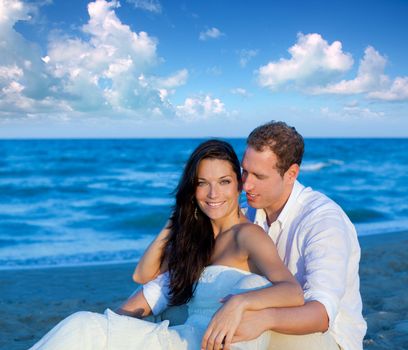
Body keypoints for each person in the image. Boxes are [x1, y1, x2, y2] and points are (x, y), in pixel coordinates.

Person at [29, 139, 304, 350]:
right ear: (192, 189)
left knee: (83, 327)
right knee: (83, 326)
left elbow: (292, 291)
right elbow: (143, 275)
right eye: (202, 184)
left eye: (224, 182)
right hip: (177, 338)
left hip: (190, 342)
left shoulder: (247, 235)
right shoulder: (201, 242)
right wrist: (176, 219)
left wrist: (240, 303)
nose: (213, 194)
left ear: (238, 186)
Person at [133, 122, 367, 350]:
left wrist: (255, 313)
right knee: (175, 308)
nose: (246, 185)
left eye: (259, 176)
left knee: (242, 303)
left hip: (325, 340)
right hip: (261, 323)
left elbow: (321, 316)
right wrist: (180, 215)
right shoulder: (249, 211)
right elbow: (158, 276)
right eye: (244, 171)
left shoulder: (323, 222)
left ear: (291, 174)